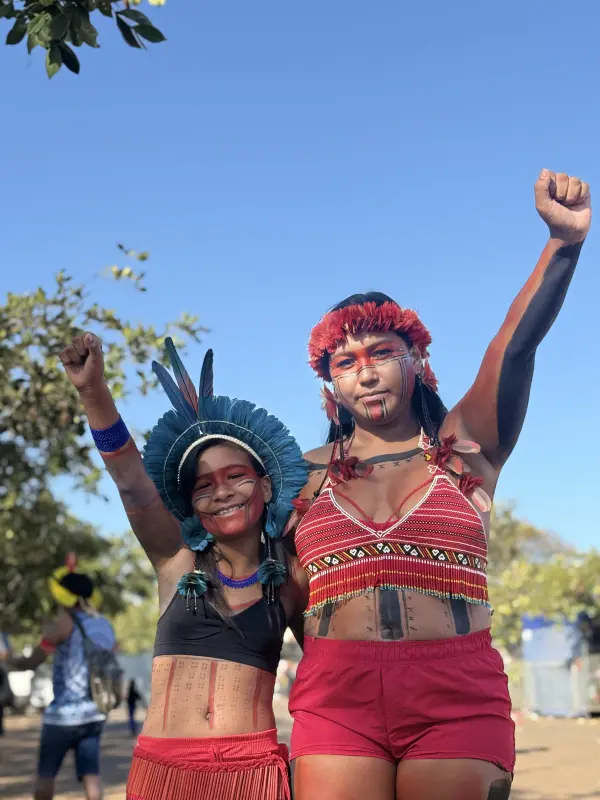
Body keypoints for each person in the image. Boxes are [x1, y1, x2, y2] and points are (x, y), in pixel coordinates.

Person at [287, 170, 591, 800]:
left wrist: (561, 247)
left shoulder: (465, 451)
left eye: (383, 352)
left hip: (456, 691)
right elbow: (288, 594)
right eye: (346, 362)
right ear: (331, 386)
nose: (366, 372)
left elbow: (515, 350)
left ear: (418, 361)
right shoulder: (303, 475)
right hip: (335, 697)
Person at [60, 335, 308, 800]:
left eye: (236, 476)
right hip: (164, 773)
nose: (222, 491)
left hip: (252, 774)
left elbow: (328, 667)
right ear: (190, 502)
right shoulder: (175, 558)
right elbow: (131, 483)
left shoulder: (293, 578)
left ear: (268, 487)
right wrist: (93, 392)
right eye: (204, 485)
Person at [5, 560, 116, 800]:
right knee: (91, 776)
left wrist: (11, 660)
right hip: (94, 713)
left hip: (62, 716)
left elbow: (34, 660)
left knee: (46, 775)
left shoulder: (65, 622)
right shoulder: (104, 624)